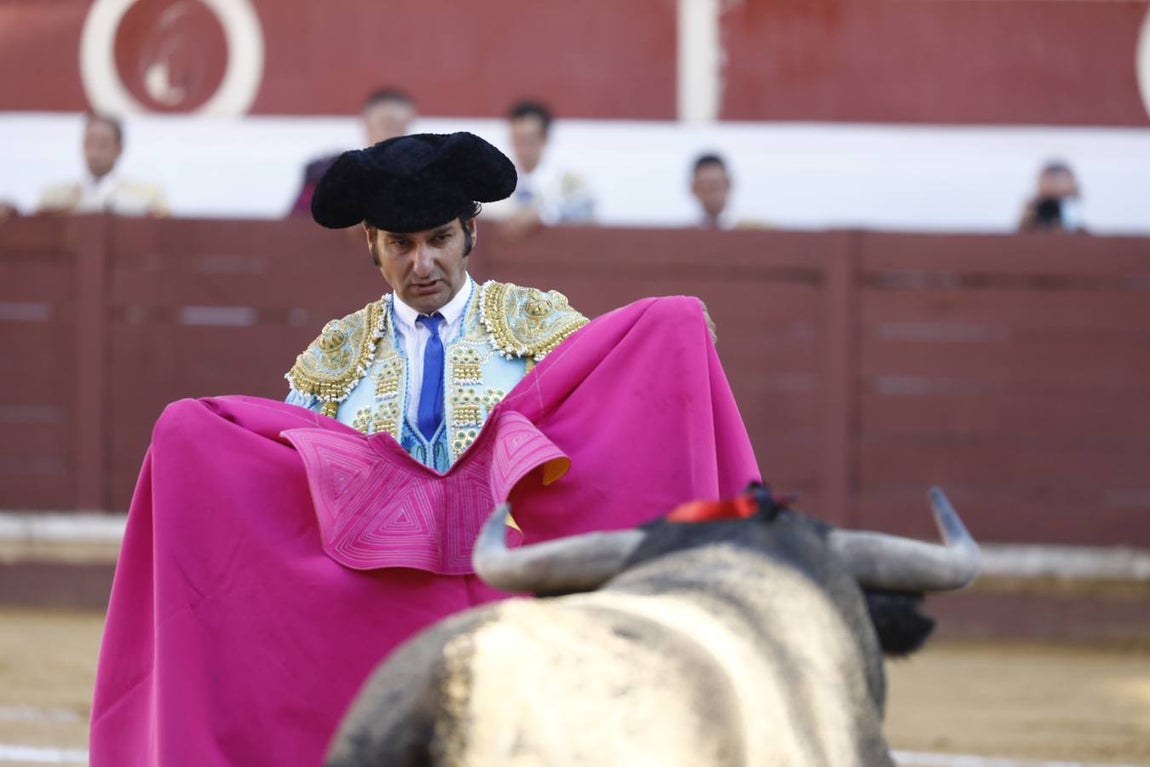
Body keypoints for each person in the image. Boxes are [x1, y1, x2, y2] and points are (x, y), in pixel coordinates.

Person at [90, 132, 758, 767]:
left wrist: (676, 344)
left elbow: (615, 418)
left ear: (471, 232)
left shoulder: (539, 330)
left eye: (439, 239)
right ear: (371, 244)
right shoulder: (334, 358)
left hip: (514, 600)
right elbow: (285, 497)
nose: (423, 263)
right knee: (186, 429)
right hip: (379, 615)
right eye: (401, 245)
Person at [287, 87, 416, 217]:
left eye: (401, 126)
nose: (395, 134)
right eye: (387, 125)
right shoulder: (329, 173)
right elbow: (299, 225)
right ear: (367, 122)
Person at [483, 99, 595, 239]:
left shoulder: (569, 182)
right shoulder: (491, 180)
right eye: (518, 140)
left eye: (530, 140)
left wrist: (542, 215)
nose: (523, 149)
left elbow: (586, 208)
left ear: (545, 138)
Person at [37, 114, 167, 216]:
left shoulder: (149, 198)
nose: (95, 152)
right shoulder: (53, 199)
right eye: (90, 143)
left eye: (103, 144)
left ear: (119, 149)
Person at [1018, 159, 1085, 233]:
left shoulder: (1072, 208)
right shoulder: (1034, 207)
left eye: (1059, 180)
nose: (1055, 184)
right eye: (1051, 179)